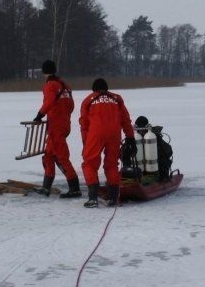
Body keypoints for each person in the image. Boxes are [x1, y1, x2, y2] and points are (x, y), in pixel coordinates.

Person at [79, 78, 136, 208]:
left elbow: (84, 124)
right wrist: (130, 136)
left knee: (89, 164)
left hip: (96, 133)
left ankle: (93, 198)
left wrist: (85, 142)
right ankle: (114, 199)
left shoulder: (89, 99)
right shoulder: (117, 99)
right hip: (114, 133)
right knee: (111, 165)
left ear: (94, 89)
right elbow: (125, 119)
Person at [32, 60, 82, 198]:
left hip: (56, 127)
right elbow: (71, 105)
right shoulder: (65, 85)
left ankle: (75, 188)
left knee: (61, 157)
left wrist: (39, 116)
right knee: (48, 155)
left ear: (44, 71)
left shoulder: (50, 85)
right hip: (65, 124)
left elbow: (48, 102)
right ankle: (46, 187)